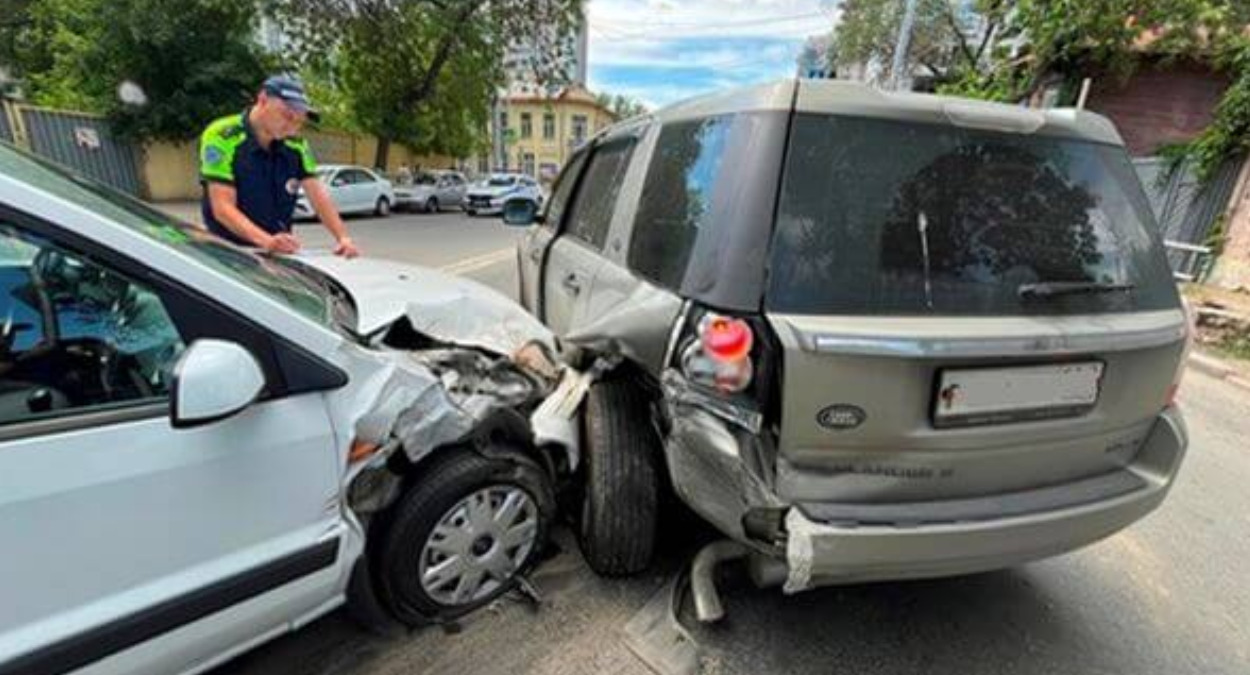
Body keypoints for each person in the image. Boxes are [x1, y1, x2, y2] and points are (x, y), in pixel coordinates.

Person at [198, 75, 359, 257]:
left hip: (277, 250)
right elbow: (222, 208)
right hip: (229, 251)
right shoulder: (223, 135)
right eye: (287, 116)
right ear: (263, 100)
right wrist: (266, 241)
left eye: (299, 121)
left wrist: (342, 238)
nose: (292, 127)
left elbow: (317, 194)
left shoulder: (296, 144)